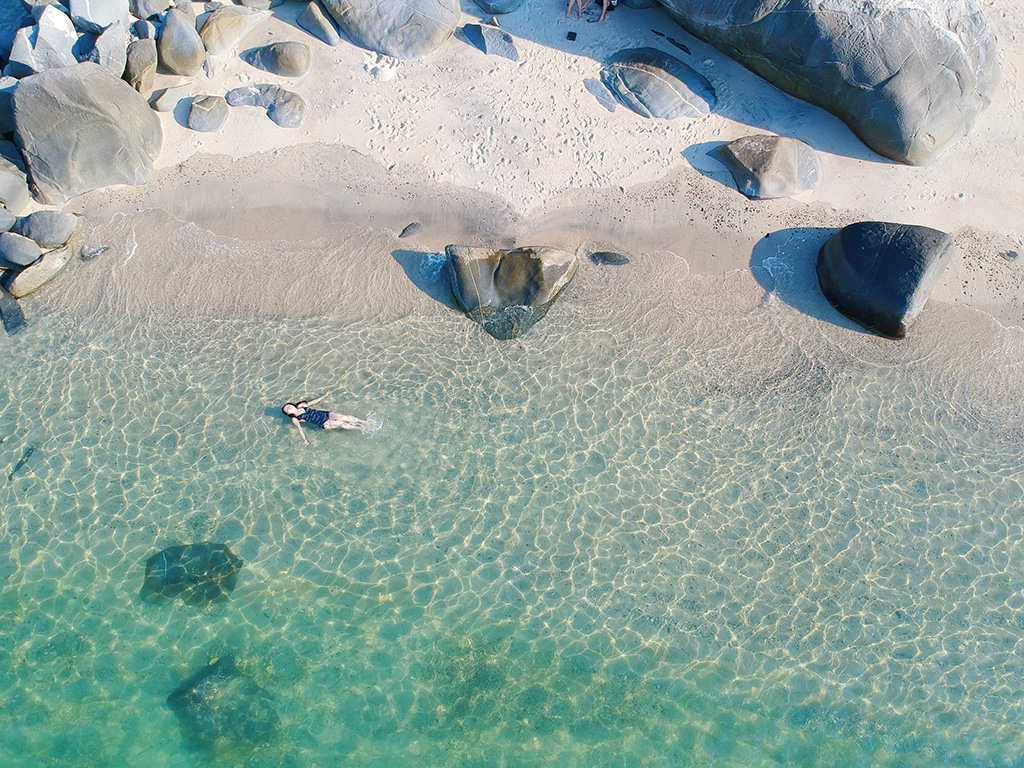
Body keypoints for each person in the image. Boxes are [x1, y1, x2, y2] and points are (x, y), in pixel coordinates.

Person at [282, 391, 370, 445]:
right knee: (341, 424)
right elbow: (299, 428)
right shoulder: (295, 418)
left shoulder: (301, 405)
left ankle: (363, 422)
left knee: (343, 417)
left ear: (291, 404)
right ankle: (360, 428)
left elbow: (313, 402)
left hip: (324, 414)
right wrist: (304, 440)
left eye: (288, 405)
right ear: (288, 413)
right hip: (322, 423)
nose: (288, 407)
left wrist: (325, 395)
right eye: (286, 409)